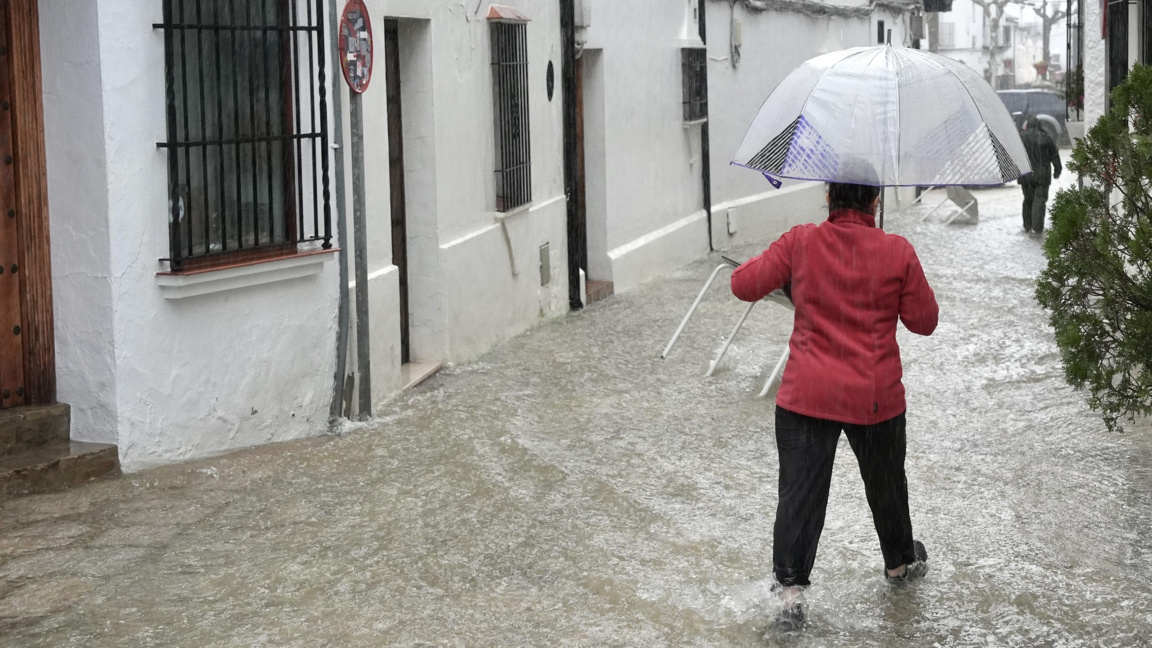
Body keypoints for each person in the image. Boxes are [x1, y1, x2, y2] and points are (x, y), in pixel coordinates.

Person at [730, 179, 939, 631]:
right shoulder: (897, 250)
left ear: (828, 196)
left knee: (799, 497)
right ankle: (900, 567)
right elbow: (925, 321)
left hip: (807, 396)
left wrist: (791, 276)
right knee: (886, 486)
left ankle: (789, 595)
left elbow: (743, 285)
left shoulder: (800, 242)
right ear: (875, 200)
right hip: (875, 398)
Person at [1018, 116, 1062, 233]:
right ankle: (1037, 228)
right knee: (1040, 200)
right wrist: (1057, 171)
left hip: (1026, 175)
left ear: (1027, 126)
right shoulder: (1046, 138)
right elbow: (1055, 156)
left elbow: (1014, 156)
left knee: (1028, 199)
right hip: (1042, 176)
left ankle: (1027, 225)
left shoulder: (1021, 138)